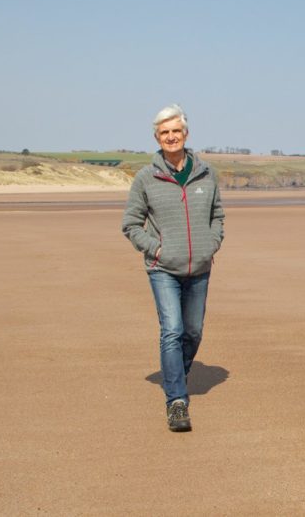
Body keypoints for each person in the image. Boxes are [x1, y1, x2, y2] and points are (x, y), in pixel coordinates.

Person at [122, 104, 225, 431]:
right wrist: (157, 249)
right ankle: (176, 400)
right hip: (162, 268)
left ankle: (175, 374)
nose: (170, 137)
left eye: (175, 131)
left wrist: (211, 244)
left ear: (186, 134)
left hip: (200, 267)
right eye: (164, 132)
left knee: (193, 331)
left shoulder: (206, 173)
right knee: (172, 330)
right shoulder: (145, 177)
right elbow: (131, 224)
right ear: (157, 137)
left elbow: (217, 216)